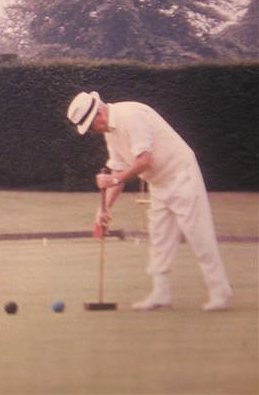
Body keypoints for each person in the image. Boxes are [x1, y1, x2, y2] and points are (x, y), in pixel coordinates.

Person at [67, 91, 232, 311]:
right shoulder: (110, 133)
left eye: (90, 126)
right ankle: (161, 295)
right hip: (159, 182)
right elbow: (118, 171)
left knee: (198, 234)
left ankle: (220, 291)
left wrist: (114, 178)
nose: (92, 131)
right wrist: (103, 209)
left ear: (99, 114)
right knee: (159, 236)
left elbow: (144, 161)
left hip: (181, 174)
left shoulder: (131, 115)